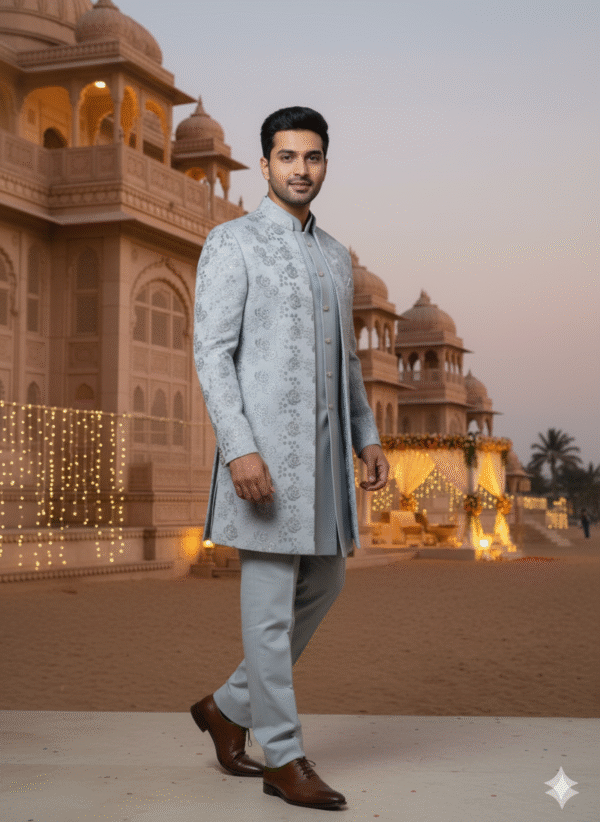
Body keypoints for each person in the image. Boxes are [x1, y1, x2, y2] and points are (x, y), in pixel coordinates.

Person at [191, 106, 389, 810]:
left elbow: (348, 367)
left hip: (329, 461)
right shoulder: (232, 241)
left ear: (324, 164)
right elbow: (212, 354)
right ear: (267, 164)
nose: (300, 169)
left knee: (326, 583)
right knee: (269, 607)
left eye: (312, 157)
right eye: (286, 157)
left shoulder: (336, 255)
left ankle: (224, 707)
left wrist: (367, 434)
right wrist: (238, 448)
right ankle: (282, 755)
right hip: (265, 462)